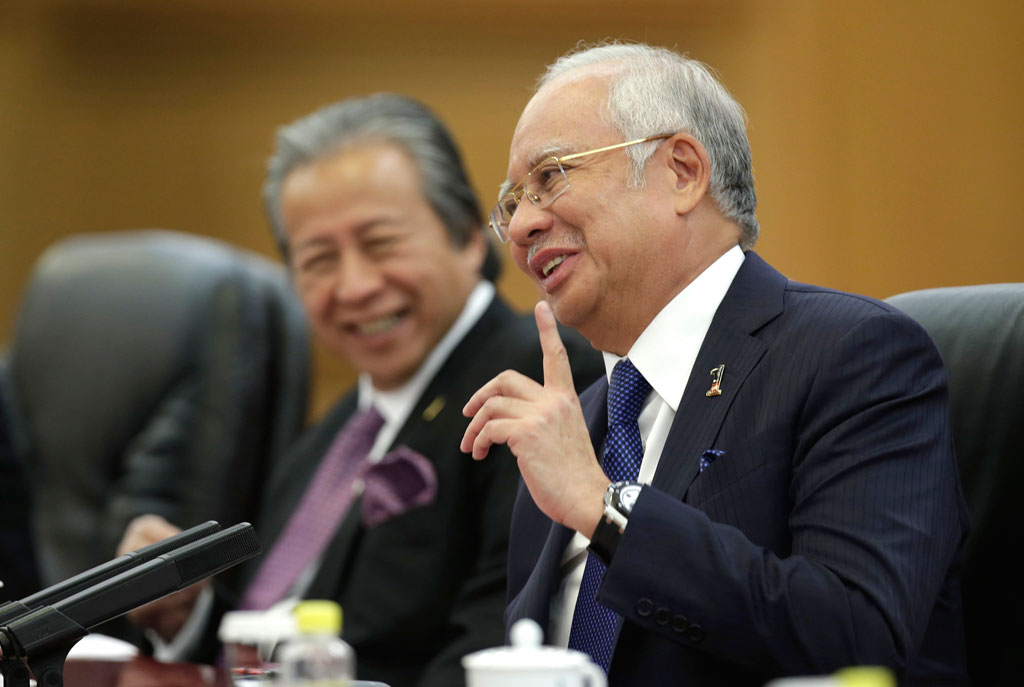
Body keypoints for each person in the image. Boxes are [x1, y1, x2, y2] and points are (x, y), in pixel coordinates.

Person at [461, 43, 968, 686]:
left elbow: (857, 637)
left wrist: (606, 509)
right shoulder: (571, 427)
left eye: (551, 176)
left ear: (682, 171)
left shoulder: (853, 355)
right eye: (512, 203)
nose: (522, 226)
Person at [118, 94, 604, 687]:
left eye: (380, 244)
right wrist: (188, 616)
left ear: (467, 236)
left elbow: (498, 646)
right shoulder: (332, 432)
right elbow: (294, 643)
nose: (353, 287)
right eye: (319, 259)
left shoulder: (542, 385)